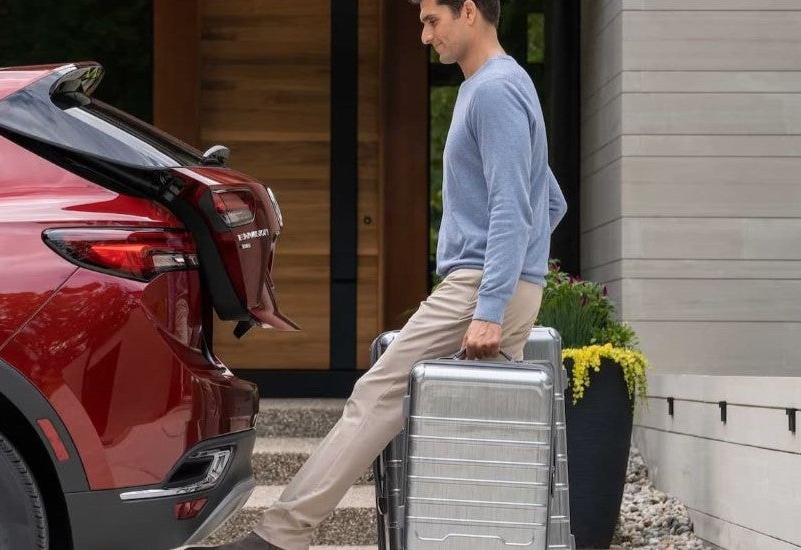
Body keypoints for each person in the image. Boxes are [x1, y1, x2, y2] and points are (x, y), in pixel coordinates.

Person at [192, 0, 568, 548]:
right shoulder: (504, 85)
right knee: (468, 436)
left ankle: (280, 536)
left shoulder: (494, 90)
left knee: (379, 394)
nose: (423, 36)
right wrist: (524, 280)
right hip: (501, 283)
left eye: (431, 20)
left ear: (469, 12)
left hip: (480, 284)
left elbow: (515, 205)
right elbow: (550, 200)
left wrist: (491, 305)